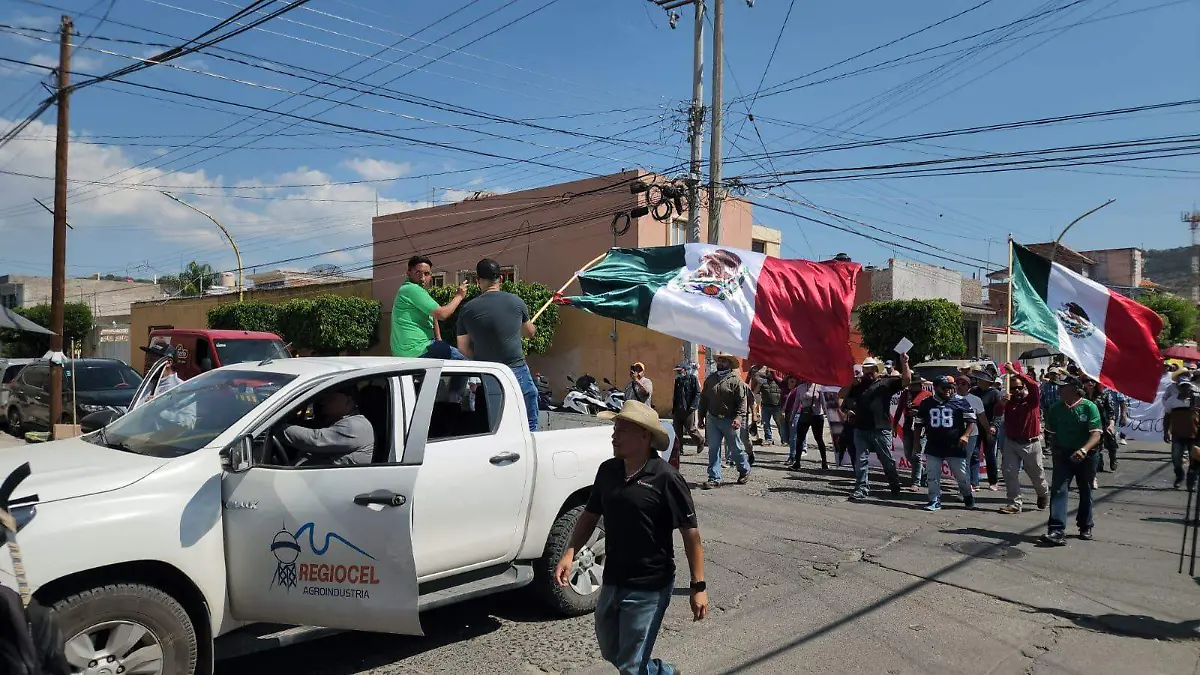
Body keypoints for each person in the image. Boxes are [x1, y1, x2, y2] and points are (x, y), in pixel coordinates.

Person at [555, 400, 707, 675]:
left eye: (622, 430)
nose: (614, 436)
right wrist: (569, 553)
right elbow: (590, 515)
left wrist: (699, 586)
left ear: (645, 436)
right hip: (613, 578)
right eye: (615, 429)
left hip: (650, 584)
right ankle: (663, 672)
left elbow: (690, 534)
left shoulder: (666, 478)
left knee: (631, 663)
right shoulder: (608, 471)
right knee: (611, 649)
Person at [454, 259, 540, 431]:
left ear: (478, 281)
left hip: (488, 372)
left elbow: (463, 348)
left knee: (495, 420)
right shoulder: (516, 302)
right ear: (500, 278)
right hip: (516, 369)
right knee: (528, 416)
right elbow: (530, 333)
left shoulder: (467, 310)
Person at [1040, 376, 1102, 546]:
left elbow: (1096, 434)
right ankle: (1056, 530)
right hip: (1063, 455)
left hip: (1086, 455)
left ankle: (1085, 525)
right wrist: (1056, 452)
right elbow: (1051, 434)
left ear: (1075, 389)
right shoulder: (1055, 409)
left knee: (1085, 490)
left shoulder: (1089, 407)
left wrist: (1084, 450)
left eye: (1062, 387)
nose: (1058, 390)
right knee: (1059, 490)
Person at [842, 355, 911, 501]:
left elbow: (906, 381)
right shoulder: (858, 386)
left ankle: (894, 484)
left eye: (871, 369)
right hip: (861, 429)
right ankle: (861, 489)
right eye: (866, 369)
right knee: (861, 460)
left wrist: (905, 363)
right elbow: (842, 397)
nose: (869, 372)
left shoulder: (886, 383)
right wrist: (850, 385)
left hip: (880, 429)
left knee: (887, 460)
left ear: (876, 369)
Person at [915, 375, 977, 511]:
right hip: (934, 444)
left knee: (962, 475)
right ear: (935, 388)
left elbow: (972, 421)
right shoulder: (926, 403)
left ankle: (967, 494)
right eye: (945, 388)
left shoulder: (960, 401)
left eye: (951, 387)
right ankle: (934, 499)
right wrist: (917, 442)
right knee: (932, 475)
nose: (949, 390)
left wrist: (966, 436)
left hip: (954, 445)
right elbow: (918, 424)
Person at [391, 255, 469, 359]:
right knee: (466, 363)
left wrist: (439, 340)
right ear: (408, 273)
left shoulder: (410, 290)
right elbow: (442, 314)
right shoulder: (411, 289)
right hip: (418, 348)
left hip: (406, 351)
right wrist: (459, 296)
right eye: (418, 272)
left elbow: (433, 316)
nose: (422, 278)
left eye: (426, 274)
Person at [998, 362, 1049, 514]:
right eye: (1013, 388)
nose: (1017, 390)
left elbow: (1033, 385)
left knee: (1037, 475)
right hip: (1012, 442)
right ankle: (1015, 503)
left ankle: (1043, 493)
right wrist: (1002, 403)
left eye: (1020, 387)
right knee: (1009, 473)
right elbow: (996, 412)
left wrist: (1015, 372)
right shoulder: (1007, 402)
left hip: (1031, 443)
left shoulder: (1032, 400)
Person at [280, 384, 374, 466]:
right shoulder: (335, 421)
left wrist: (276, 427)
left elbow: (315, 439)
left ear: (348, 400)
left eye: (331, 398)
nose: (324, 402)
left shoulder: (356, 425)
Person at [699, 353, 750, 489]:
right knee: (713, 449)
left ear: (729, 364)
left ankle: (744, 470)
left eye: (723, 361)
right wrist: (700, 417)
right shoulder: (710, 379)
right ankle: (714, 478)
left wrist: (739, 418)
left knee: (735, 449)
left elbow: (742, 401)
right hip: (713, 419)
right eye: (719, 361)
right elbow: (704, 399)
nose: (720, 363)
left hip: (730, 420)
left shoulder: (735, 380)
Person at [1163, 375, 1200, 489]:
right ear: (1179, 388)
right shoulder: (1172, 400)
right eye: (1182, 386)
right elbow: (1167, 416)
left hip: (1194, 435)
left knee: (1194, 459)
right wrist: (1165, 432)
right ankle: (1179, 476)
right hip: (1178, 434)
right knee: (1176, 458)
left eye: (1187, 386)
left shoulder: (1197, 400)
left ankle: (1191, 482)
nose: (1185, 389)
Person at [1082, 376, 1121, 481]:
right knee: (1095, 448)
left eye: (1092, 381)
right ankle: (1096, 467)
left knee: (1111, 443)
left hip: (1103, 424)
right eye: (1087, 381)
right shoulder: (1081, 395)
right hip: (1088, 426)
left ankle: (1113, 459)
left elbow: (1111, 411)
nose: (1090, 383)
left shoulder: (1104, 394)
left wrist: (1111, 424)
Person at [895, 376, 930, 491]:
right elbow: (899, 409)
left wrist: (919, 412)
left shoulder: (927, 395)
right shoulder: (906, 394)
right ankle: (924, 473)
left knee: (917, 455)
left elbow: (931, 412)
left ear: (920, 384)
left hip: (921, 429)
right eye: (911, 384)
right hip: (907, 427)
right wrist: (894, 425)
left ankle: (916, 482)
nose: (912, 386)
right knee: (908, 454)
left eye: (914, 384)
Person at [786, 378, 828, 470]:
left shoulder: (819, 387)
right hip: (804, 415)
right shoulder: (800, 388)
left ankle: (824, 462)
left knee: (819, 439)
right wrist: (792, 417)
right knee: (799, 439)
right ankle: (797, 463)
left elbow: (823, 402)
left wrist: (827, 413)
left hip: (817, 416)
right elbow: (797, 402)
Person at [970, 372, 1003, 491]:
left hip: (990, 428)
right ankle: (974, 482)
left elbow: (998, 412)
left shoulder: (995, 393)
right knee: (974, 453)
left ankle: (993, 481)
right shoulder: (973, 391)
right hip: (975, 426)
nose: (979, 381)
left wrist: (994, 425)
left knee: (990, 455)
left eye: (981, 380)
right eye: (978, 379)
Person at [956, 376, 989, 492]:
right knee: (958, 461)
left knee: (965, 459)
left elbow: (982, 417)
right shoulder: (950, 399)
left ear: (969, 387)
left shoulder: (975, 400)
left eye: (963, 384)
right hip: (954, 434)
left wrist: (988, 431)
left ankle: (967, 487)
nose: (959, 386)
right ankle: (967, 483)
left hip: (971, 434)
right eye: (957, 383)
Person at [671, 362, 704, 452]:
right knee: (677, 430)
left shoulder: (692, 379)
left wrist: (693, 406)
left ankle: (700, 441)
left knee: (690, 429)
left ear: (684, 370)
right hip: (678, 409)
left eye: (679, 370)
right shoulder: (677, 380)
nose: (678, 373)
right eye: (677, 371)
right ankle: (679, 449)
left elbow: (697, 393)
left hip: (688, 408)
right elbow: (676, 395)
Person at [758, 368, 784, 446]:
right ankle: (768, 439)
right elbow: (755, 392)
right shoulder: (762, 382)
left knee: (780, 424)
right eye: (769, 372)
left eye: (772, 373)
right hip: (765, 407)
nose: (770, 374)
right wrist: (759, 384)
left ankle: (784, 439)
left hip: (777, 407)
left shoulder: (779, 382)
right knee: (766, 424)